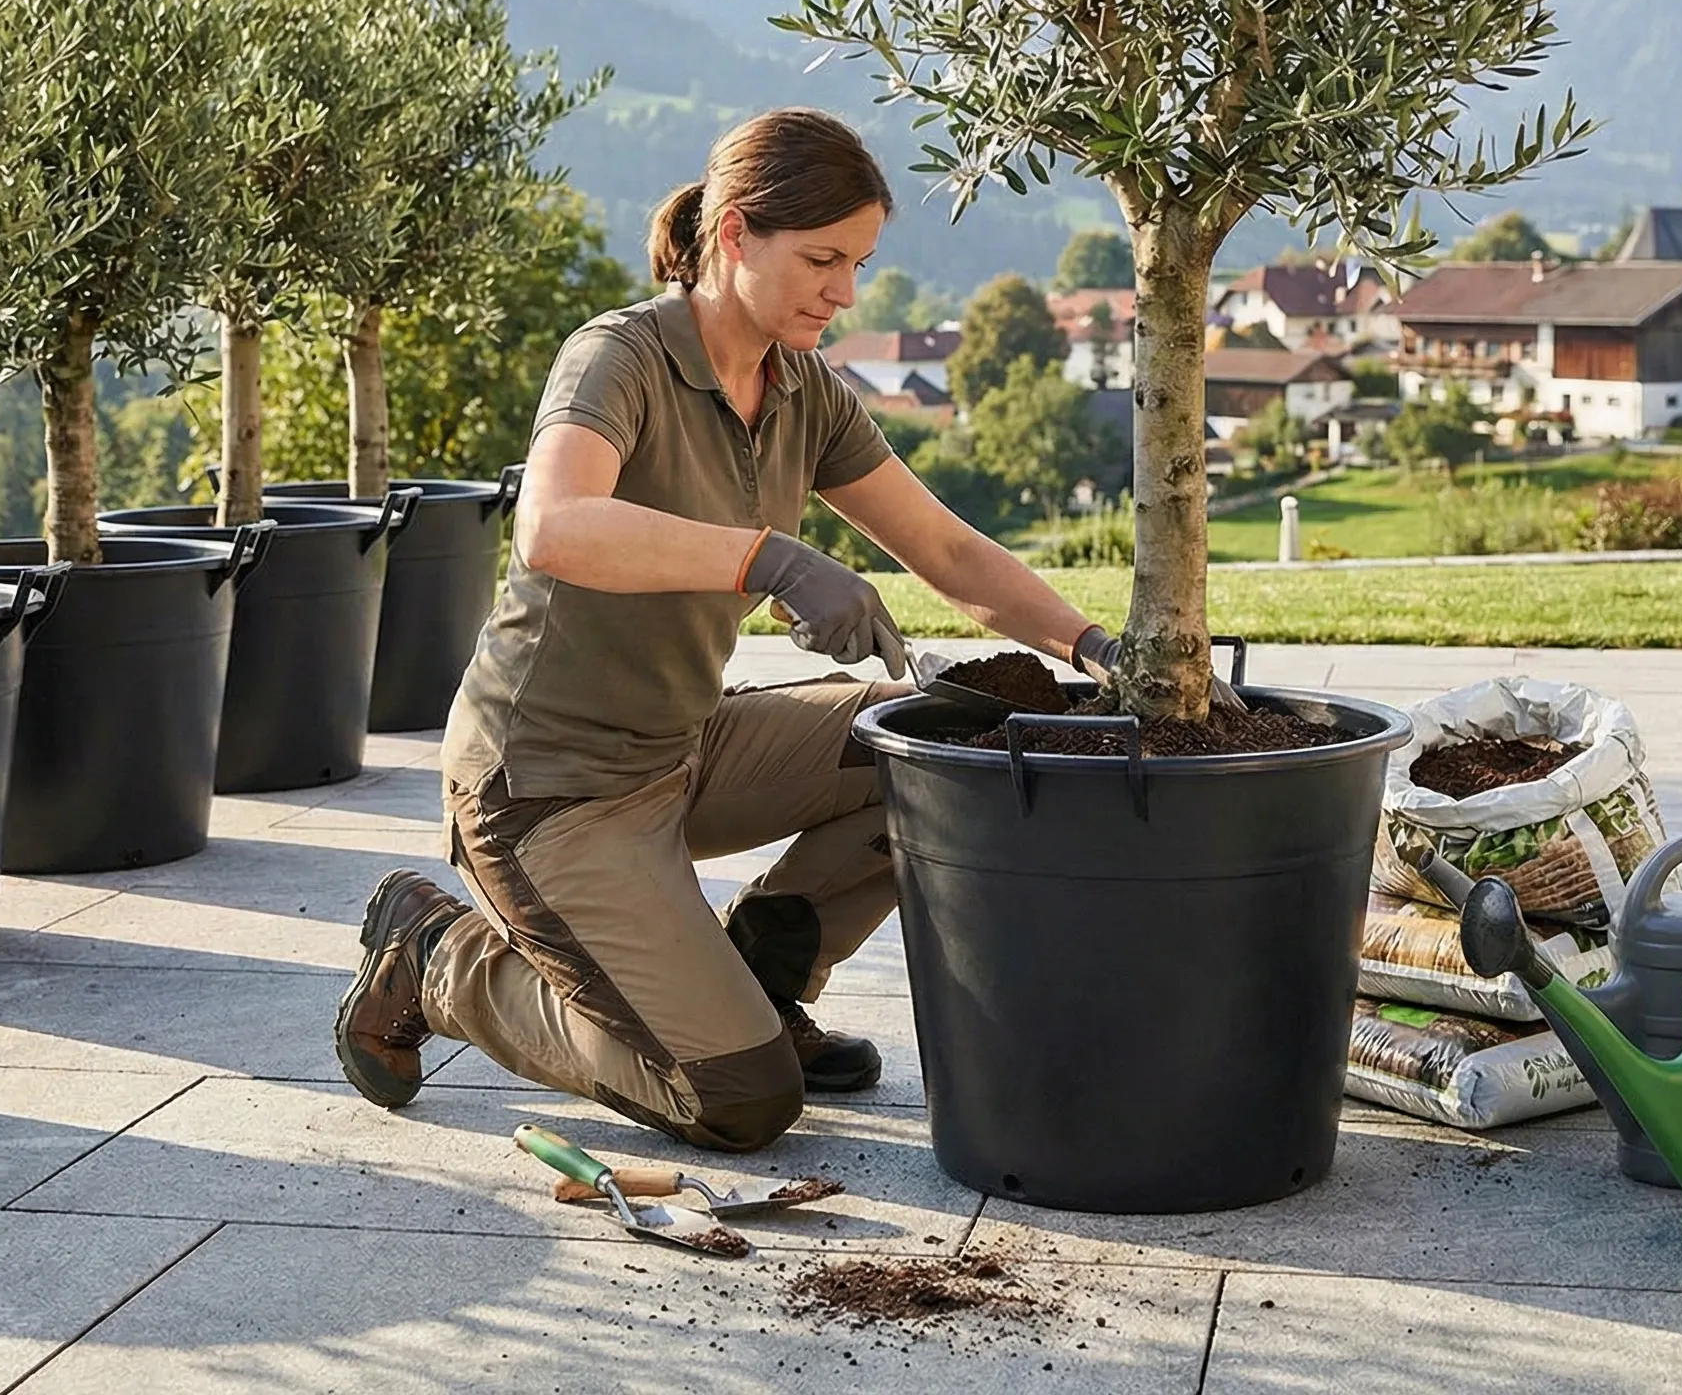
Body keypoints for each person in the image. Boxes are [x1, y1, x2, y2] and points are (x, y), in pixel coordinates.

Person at [335, 106, 1135, 1153]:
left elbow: (944, 551)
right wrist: (768, 555)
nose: (843, 291)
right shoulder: (617, 357)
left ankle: (761, 983)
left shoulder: (806, 390)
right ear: (733, 234)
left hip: (681, 748)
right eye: (820, 259)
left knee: (946, 741)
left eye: (857, 261)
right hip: (544, 788)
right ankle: (436, 953)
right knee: (739, 1099)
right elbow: (554, 527)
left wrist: (1097, 648)